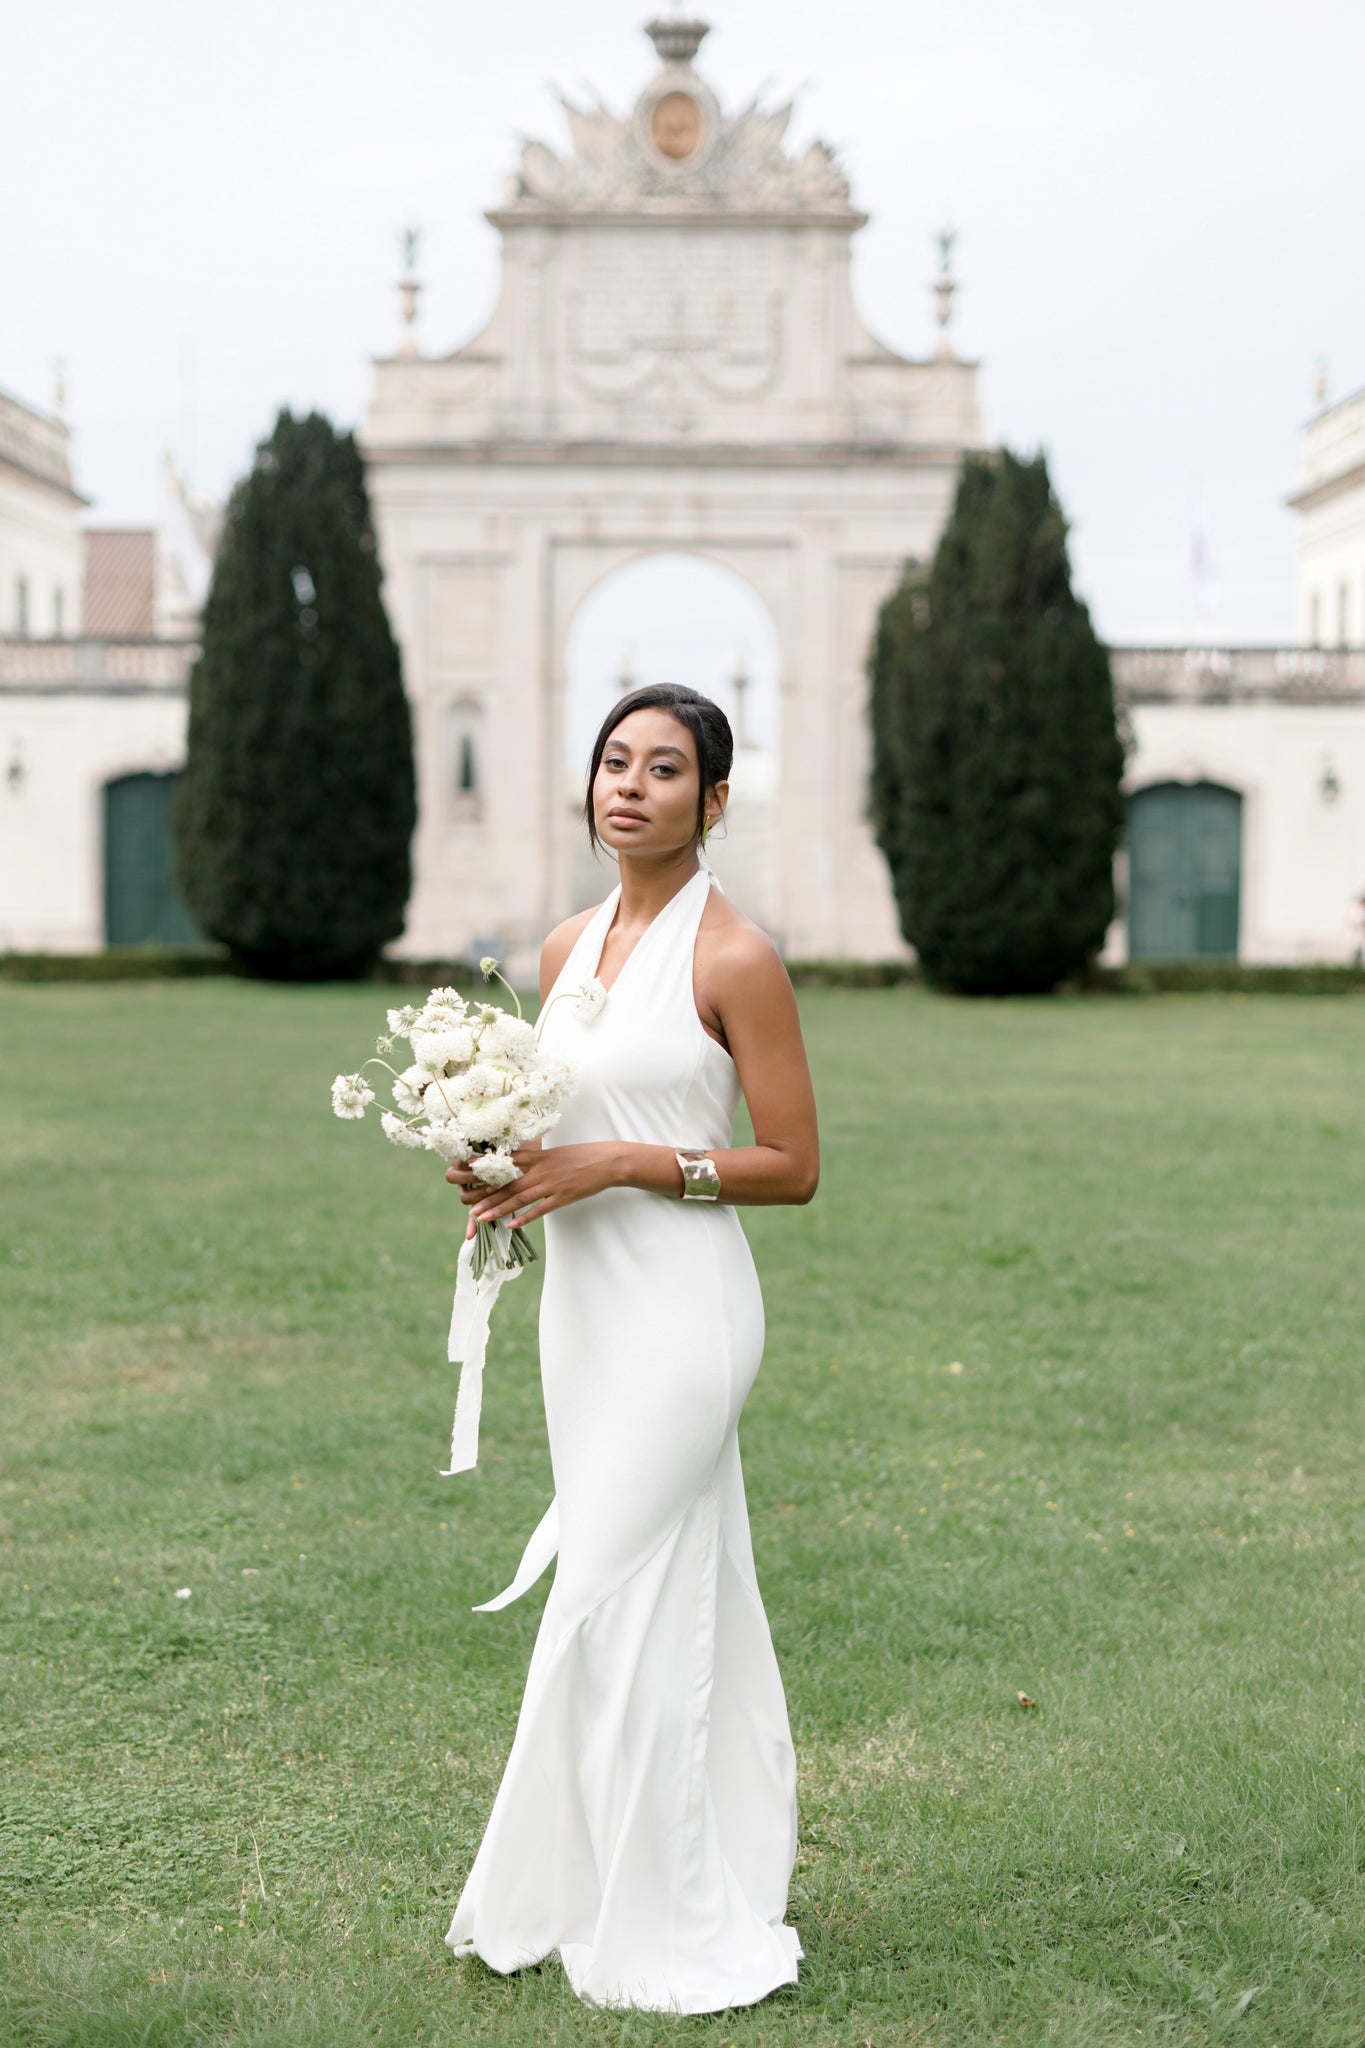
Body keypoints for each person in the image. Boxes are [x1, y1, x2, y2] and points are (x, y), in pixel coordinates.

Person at [442, 682, 820, 2013]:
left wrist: (625, 1163)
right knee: (674, 1587)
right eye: (615, 761)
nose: (631, 786)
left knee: (608, 1588)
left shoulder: (736, 960)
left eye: (666, 770)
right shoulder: (558, 949)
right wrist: (497, 1163)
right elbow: (560, 1125)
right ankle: (632, 1864)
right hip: (584, 1317)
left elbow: (791, 1167)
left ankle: (644, 1905)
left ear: (713, 802)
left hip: (686, 1315)